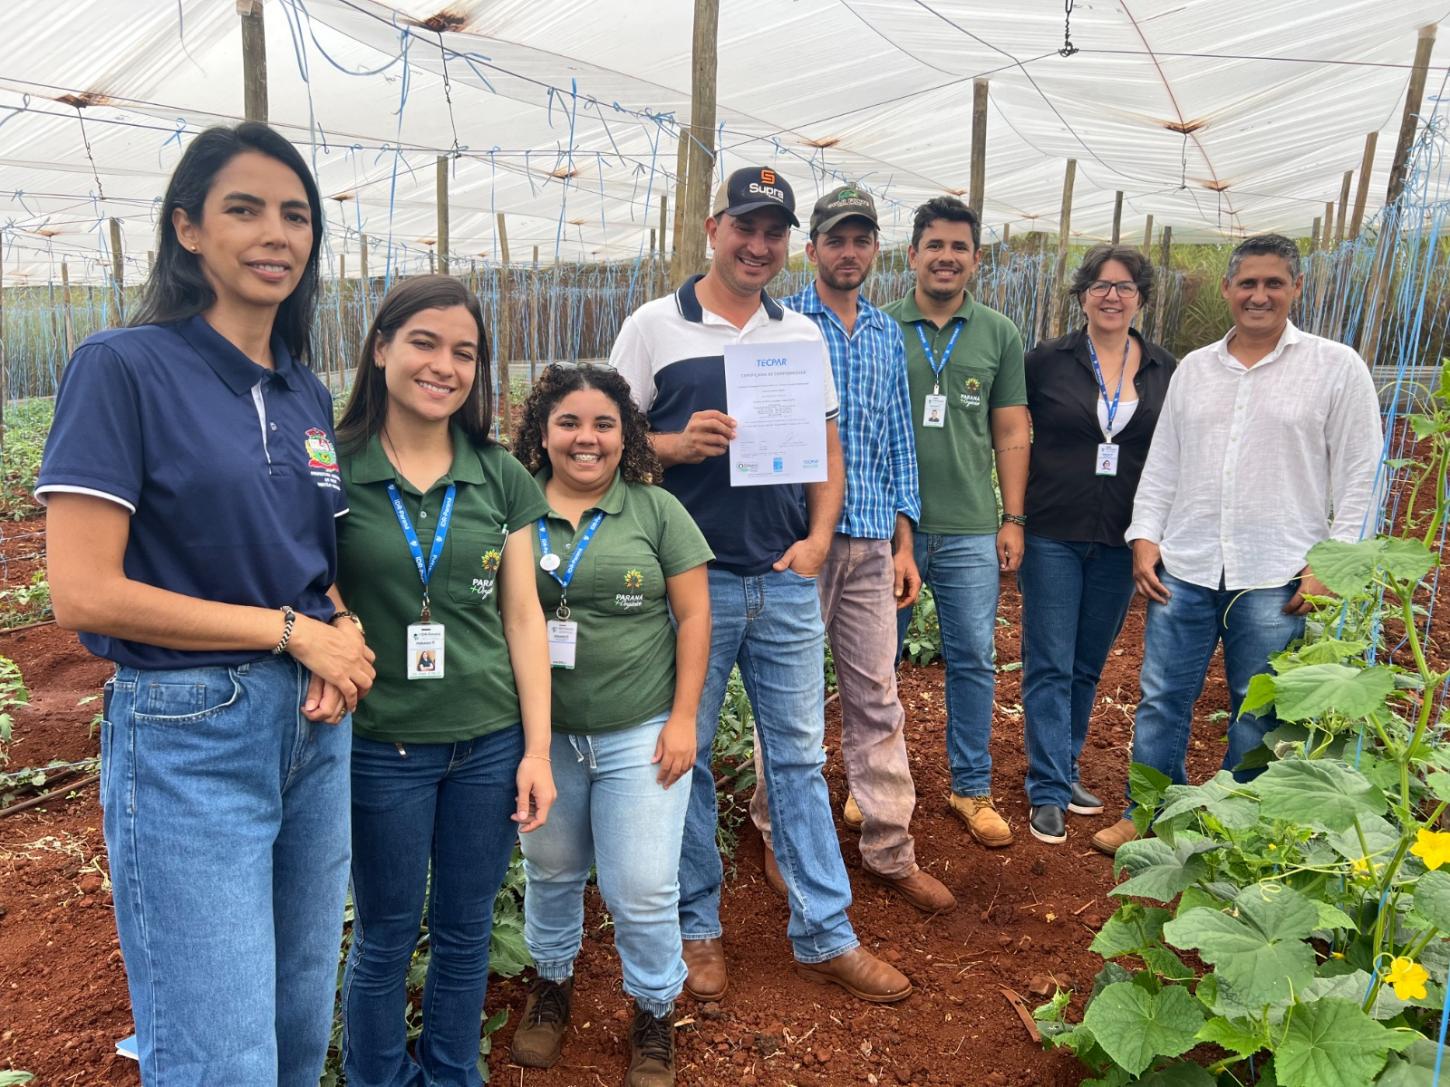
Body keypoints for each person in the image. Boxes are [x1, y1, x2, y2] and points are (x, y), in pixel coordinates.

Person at [38, 122, 375, 1085]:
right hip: (192, 732)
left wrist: (339, 627)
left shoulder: (303, 388)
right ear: (187, 228)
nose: (276, 233)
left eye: (296, 214)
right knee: (218, 1050)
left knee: (299, 1019)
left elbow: (314, 558)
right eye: (244, 208)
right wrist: (289, 632)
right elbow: (83, 591)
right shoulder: (124, 366)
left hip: (312, 729)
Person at [613, 166, 912, 1004]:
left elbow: (825, 445)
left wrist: (818, 540)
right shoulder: (653, 327)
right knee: (690, 757)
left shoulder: (799, 335)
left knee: (797, 758)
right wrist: (671, 447)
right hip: (689, 584)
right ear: (713, 228)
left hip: (781, 580)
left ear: (788, 245)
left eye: (774, 232)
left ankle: (825, 931)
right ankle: (697, 926)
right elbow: (601, 439)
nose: (758, 244)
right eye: (745, 226)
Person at [1094, 233, 1383, 855]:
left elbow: (1361, 475)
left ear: (1296, 289)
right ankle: (1149, 811)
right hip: (1188, 562)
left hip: (1277, 570)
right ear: (1228, 289)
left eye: (1273, 283)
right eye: (1247, 283)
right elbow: (1164, 461)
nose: (1259, 295)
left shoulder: (1336, 368)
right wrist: (1145, 535)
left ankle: (1239, 823)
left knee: (1259, 710)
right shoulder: (1196, 368)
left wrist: (1333, 564)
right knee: (1163, 697)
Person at [333, 275, 555, 1087]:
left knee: (465, 932)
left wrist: (536, 749)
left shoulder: (500, 477)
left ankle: (455, 1073)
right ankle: (379, 1078)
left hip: (490, 743)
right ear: (382, 347)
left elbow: (524, 618)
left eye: (465, 352)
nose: (445, 365)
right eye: (425, 342)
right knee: (386, 935)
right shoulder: (333, 468)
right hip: (381, 745)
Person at [747, 184, 953, 914]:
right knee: (791, 705)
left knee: (878, 696)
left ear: (875, 251)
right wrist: (799, 538)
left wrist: (905, 539)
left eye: (861, 239)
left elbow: (899, 438)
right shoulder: (778, 325)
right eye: (836, 239)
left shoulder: (884, 334)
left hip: (869, 541)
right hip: (800, 542)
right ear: (813, 252)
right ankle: (779, 837)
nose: (849, 251)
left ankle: (890, 847)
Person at [505, 365, 713, 1087]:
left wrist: (685, 717)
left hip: (640, 731)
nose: (586, 438)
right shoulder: (515, 507)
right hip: (543, 735)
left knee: (644, 886)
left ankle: (654, 1010)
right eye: (568, 423)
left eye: (603, 424)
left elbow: (694, 617)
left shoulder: (656, 510)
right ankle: (552, 984)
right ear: (542, 431)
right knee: (552, 870)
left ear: (626, 435)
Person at [884, 196, 1030, 850]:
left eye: (959, 247)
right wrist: (889, 527)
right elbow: (865, 434)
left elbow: (1009, 429)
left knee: (972, 658)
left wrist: (1012, 516)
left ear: (975, 259)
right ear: (912, 255)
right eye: (933, 245)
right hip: (892, 530)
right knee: (877, 660)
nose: (946, 257)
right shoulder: (882, 327)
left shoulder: (998, 333)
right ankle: (878, 785)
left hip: (972, 526)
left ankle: (970, 787)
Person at [1019, 245, 1176, 845]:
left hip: (1122, 535)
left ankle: (1064, 764)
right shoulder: (1046, 362)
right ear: (1083, 294)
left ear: (1141, 297)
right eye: (1101, 285)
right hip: (1054, 528)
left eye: (1126, 286)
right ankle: (1048, 788)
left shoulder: (1164, 369)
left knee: (1088, 663)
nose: (1113, 296)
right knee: (1049, 661)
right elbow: (1008, 428)